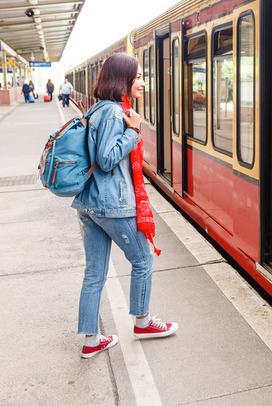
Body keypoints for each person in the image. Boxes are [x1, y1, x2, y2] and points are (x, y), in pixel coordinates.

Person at [72, 53, 177, 359]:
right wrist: (133, 131)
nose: (143, 82)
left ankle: (91, 341)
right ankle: (143, 322)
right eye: (139, 76)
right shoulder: (114, 114)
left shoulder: (99, 109)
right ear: (123, 79)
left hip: (90, 203)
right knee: (143, 260)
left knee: (94, 272)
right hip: (111, 204)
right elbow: (106, 159)